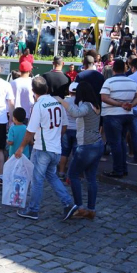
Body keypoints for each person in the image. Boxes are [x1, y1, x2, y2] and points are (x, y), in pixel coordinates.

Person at [14, 77, 76, 221]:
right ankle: (68, 203)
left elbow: (30, 130)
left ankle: (33, 209)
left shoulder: (39, 105)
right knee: (52, 176)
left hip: (42, 148)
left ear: (33, 91)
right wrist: (54, 136)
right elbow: (64, 126)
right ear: (47, 89)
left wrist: (21, 147)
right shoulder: (57, 103)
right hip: (55, 148)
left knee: (37, 180)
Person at [55, 81, 103, 220]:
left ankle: (79, 207)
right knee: (91, 178)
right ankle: (91, 209)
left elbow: (75, 113)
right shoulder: (96, 105)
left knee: (73, 175)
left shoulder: (86, 105)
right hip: (97, 144)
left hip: (86, 146)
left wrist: (61, 100)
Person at [101, 59, 137, 178]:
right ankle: (123, 168)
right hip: (127, 114)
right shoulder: (132, 81)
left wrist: (120, 104)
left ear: (113, 69)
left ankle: (118, 169)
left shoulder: (109, 81)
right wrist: (131, 105)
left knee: (115, 143)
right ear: (125, 68)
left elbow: (104, 97)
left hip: (112, 115)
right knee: (122, 141)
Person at [58, 82, 78, 179]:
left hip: (66, 128)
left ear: (69, 91)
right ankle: (72, 175)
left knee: (64, 152)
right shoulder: (82, 102)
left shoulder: (65, 101)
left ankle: (61, 172)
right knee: (76, 154)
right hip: (77, 129)